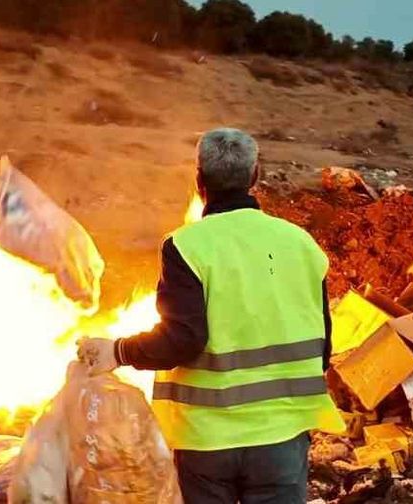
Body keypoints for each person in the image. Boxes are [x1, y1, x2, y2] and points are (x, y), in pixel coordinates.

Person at [78, 128, 344, 504]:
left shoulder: (186, 246)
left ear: (199, 179)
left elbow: (183, 339)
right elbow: (323, 344)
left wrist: (117, 352)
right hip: (282, 436)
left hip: (208, 441)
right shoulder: (299, 243)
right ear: (255, 176)